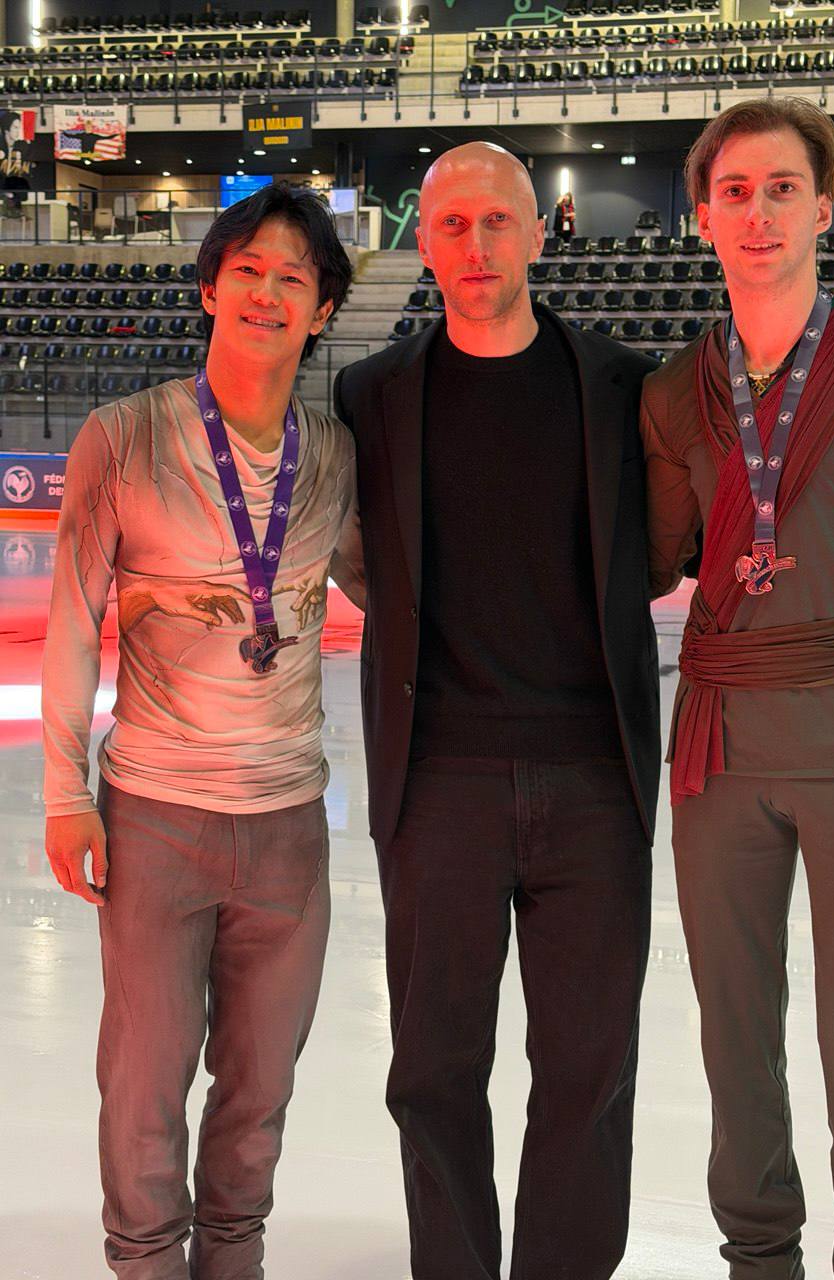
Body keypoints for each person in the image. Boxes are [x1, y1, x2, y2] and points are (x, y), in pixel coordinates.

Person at [640, 96, 834, 1280]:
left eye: (783, 188)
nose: (759, 212)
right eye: (735, 191)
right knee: (734, 1044)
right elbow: (655, 561)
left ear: (825, 206)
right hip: (717, 745)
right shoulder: (675, 390)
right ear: (702, 215)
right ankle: (759, 1257)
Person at [335, 141, 660, 1280]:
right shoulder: (369, 396)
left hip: (595, 779)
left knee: (588, 1069)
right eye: (451, 225)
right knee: (433, 1070)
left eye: (496, 221)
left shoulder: (622, 385)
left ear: (536, 231)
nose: (475, 246)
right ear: (424, 243)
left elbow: (664, 553)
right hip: (439, 782)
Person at [41, 182, 363, 1280]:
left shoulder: (335, 456)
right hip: (157, 815)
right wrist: (65, 793)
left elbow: (390, 585)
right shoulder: (123, 436)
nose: (268, 293)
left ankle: (233, 1259)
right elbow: (72, 621)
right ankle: (144, 1262)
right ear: (210, 287)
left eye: (293, 278)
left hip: (289, 825)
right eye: (248, 271)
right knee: (143, 1078)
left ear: (322, 309)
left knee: (260, 1083)